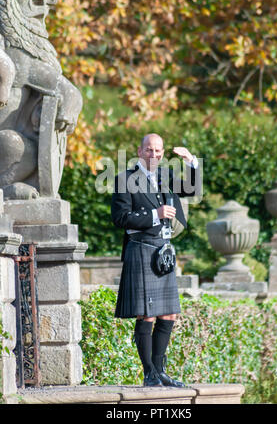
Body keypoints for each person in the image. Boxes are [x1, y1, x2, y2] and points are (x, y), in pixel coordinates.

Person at [111, 133, 200, 387]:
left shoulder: (164, 176)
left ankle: (160, 371)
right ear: (139, 152)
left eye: (159, 151)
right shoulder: (124, 179)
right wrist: (155, 214)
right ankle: (148, 372)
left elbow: (191, 189)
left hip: (163, 251)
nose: (154, 155)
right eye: (149, 150)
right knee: (147, 315)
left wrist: (191, 162)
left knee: (169, 314)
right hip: (140, 249)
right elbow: (120, 217)